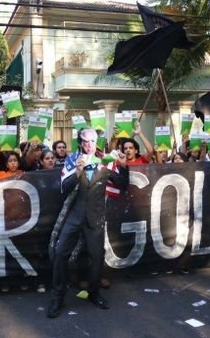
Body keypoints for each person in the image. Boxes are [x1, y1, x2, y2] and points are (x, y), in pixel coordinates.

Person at [47, 128, 129, 319]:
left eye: (93, 141)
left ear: (97, 142)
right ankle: (57, 297)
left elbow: (122, 185)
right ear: (80, 142)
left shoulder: (105, 160)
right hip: (75, 216)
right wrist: (77, 171)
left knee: (97, 256)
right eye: (86, 141)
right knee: (60, 253)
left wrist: (123, 166)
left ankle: (94, 292)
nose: (90, 145)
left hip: (96, 217)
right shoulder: (72, 159)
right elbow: (63, 189)